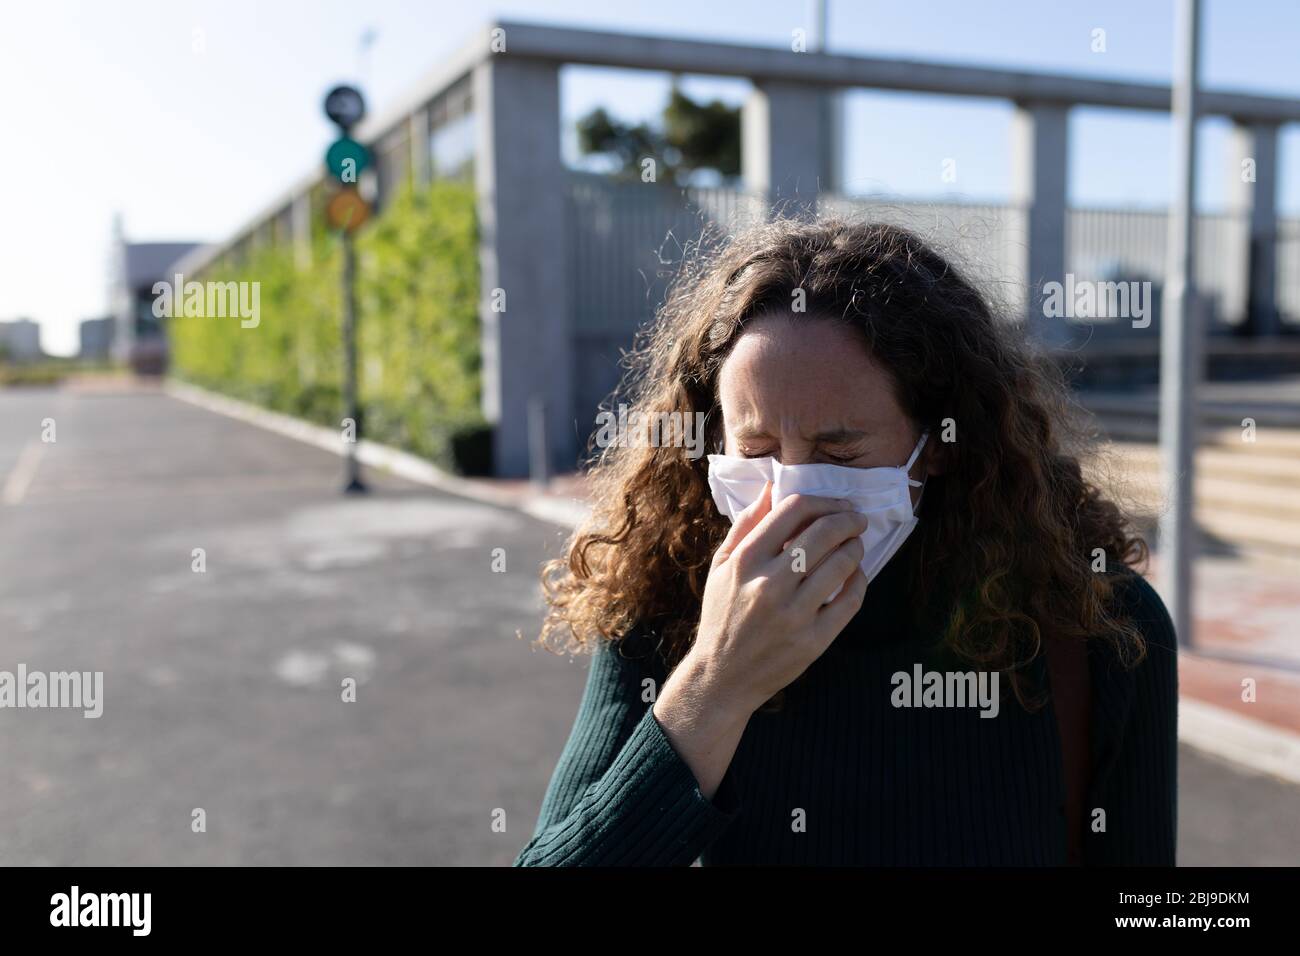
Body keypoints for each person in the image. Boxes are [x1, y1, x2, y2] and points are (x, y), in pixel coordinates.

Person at [513, 217, 1177, 866]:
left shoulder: (1097, 631)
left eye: (839, 451)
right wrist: (715, 686)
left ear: (941, 445)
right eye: (758, 448)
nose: (793, 492)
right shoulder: (662, 607)